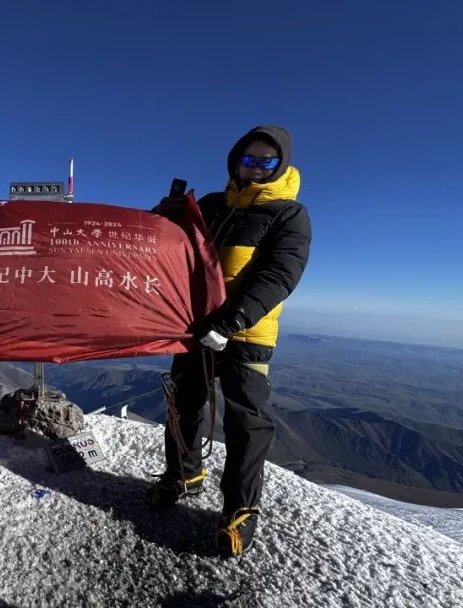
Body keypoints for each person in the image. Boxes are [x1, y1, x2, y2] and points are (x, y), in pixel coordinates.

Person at [148, 125, 312, 557]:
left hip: (247, 332)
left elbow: (279, 275)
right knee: (183, 403)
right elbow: (160, 248)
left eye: (266, 161)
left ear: (281, 166)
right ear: (235, 161)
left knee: (245, 423)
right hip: (196, 327)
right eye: (248, 159)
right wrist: (162, 216)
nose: (255, 168)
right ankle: (183, 475)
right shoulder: (211, 205)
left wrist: (233, 320)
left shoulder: (288, 214)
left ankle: (240, 510)